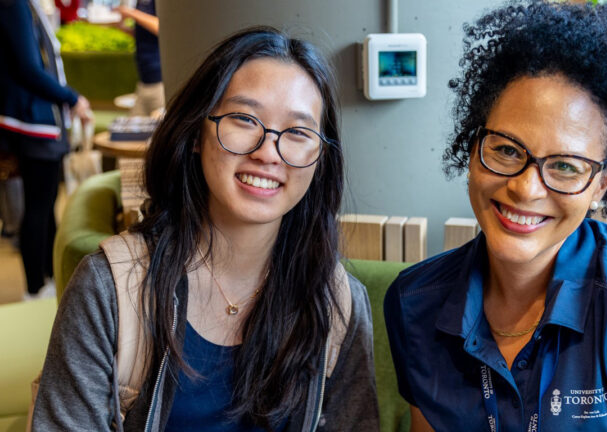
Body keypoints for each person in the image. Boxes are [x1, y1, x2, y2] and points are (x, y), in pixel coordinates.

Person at [384, 2, 607, 431]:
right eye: (505, 149)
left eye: (565, 166)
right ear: (472, 148)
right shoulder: (414, 302)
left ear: (601, 184)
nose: (525, 187)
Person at [31, 27, 379, 431]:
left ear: (320, 158)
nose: (268, 152)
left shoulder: (336, 301)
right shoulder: (109, 287)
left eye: (298, 132)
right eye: (244, 119)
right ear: (197, 133)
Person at [0, 0, 92, 298]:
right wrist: (72, 98)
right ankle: (36, 288)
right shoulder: (13, 5)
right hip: (33, 122)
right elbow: (28, 67)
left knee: (46, 203)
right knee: (38, 208)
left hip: (36, 119)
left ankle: (49, 279)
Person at [116, 0, 164, 116]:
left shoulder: (159, 3)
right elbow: (144, 35)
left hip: (159, 81)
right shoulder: (141, 3)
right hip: (143, 80)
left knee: (159, 126)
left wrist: (131, 13)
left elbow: (163, 28)